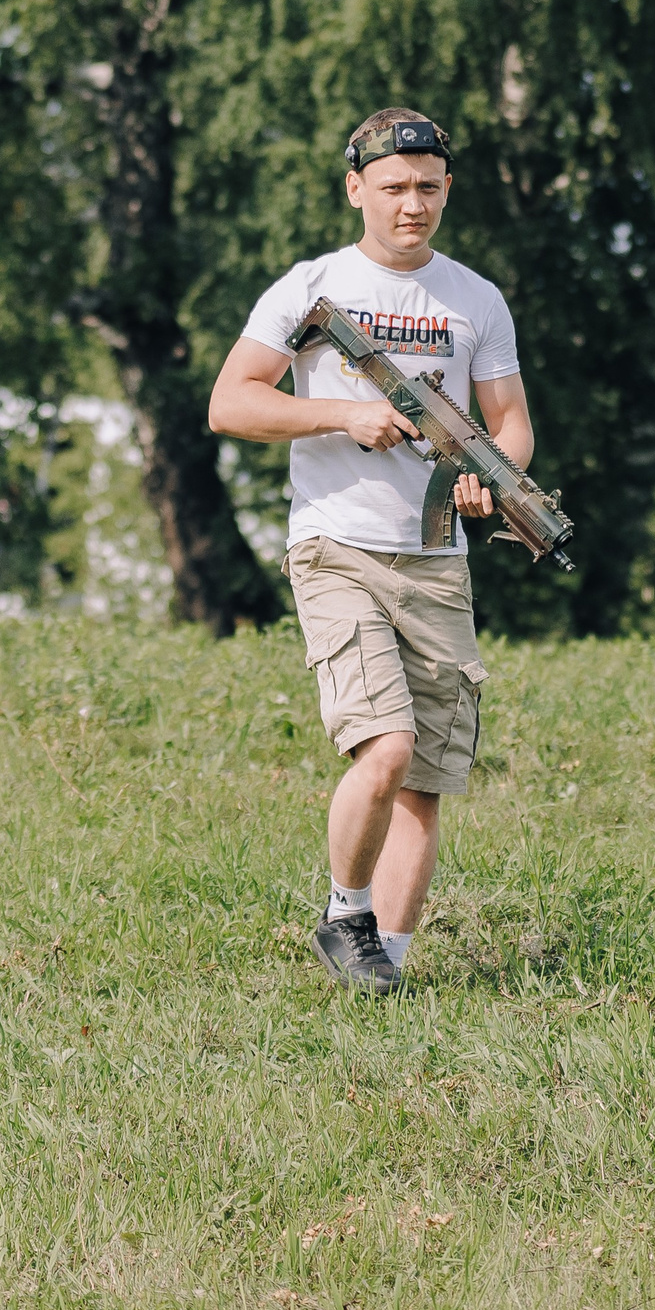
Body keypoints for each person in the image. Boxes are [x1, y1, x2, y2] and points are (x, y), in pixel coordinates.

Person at [207, 109, 535, 996]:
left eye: (428, 187)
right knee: (385, 747)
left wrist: (489, 480)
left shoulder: (475, 299)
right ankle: (345, 911)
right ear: (356, 189)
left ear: (447, 190)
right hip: (337, 545)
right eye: (393, 188)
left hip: (435, 554)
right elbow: (231, 402)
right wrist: (343, 413)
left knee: (425, 781)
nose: (412, 204)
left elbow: (509, 423)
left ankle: (384, 972)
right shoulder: (311, 286)